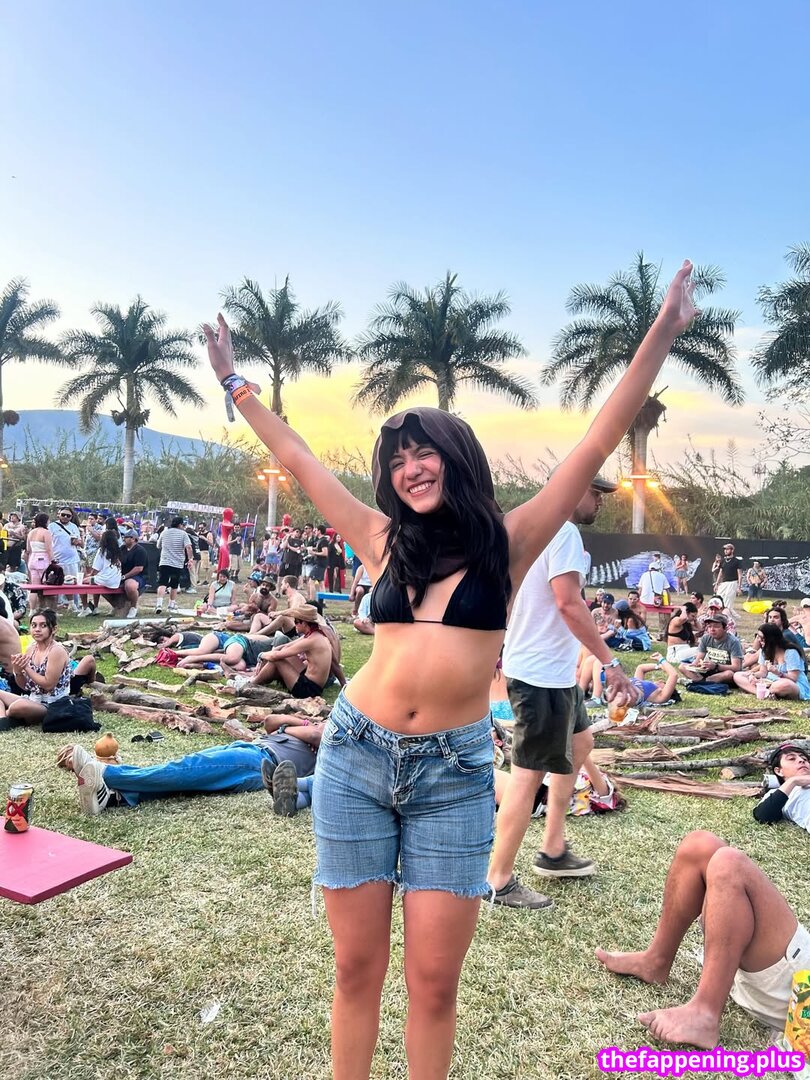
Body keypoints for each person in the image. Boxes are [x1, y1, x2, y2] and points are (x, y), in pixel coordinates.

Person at [203, 259, 697, 1080]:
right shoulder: (382, 540)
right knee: (356, 970)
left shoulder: (510, 541)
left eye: (424, 452)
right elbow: (298, 459)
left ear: (456, 459)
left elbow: (596, 440)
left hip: (454, 774)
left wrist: (666, 330)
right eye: (397, 459)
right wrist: (234, 381)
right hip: (357, 756)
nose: (411, 468)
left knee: (433, 985)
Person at [488, 474, 635, 909]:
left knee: (580, 743)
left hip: (549, 672)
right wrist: (610, 664)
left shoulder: (535, 530)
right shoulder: (564, 532)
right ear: (570, 489)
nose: (600, 502)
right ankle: (498, 879)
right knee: (527, 774)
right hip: (540, 676)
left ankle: (553, 848)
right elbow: (568, 602)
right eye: (595, 493)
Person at [596, 830, 810, 1048]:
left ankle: (704, 1013)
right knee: (699, 846)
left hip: (802, 993)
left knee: (730, 865)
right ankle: (656, 960)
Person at [57, 712, 323, 815]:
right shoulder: (310, 728)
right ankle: (114, 798)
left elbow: (315, 735)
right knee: (187, 778)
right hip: (250, 750)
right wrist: (302, 722)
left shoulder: (329, 740)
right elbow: (270, 721)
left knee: (186, 768)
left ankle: (106, 773)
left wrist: (309, 729)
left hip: (259, 761)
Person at [250, 605, 334, 698]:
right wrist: (274, 650)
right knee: (282, 654)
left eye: (296, 622)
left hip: (309, 690)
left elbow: (275, 657)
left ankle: (253, 683)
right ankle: (259, 678)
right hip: (311, 681)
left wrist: (261, 655)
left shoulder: (311, 640)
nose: (294, 625)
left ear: (304, 623)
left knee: (277, 660)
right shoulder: (315, 634)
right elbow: (287, 646)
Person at [732, 623, 810, 701]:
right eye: (758, 637)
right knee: (738, 675)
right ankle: (762, 693)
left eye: (762, 638)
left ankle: (766, 691)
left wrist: (777, 673)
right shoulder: (764, 650)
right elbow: (763, 673)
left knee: (784, 685)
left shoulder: (791, 652)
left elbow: (793, 678)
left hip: (791, 684)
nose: (759, 640)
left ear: (771, 639)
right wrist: (752, 675)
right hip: (770, 681)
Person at [753, 742, 810, 832]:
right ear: (779, 771)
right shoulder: (778, 794)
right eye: (791, 759)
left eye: (805, 759)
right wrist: (793, 781)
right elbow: (763, 815)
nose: (801, 760)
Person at [678, 613, 743, 686]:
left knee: (729, 674)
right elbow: (698, 660)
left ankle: (700, 682)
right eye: (709, 626)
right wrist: (694, 665)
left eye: (716, 626)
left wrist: (716, 666)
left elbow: (736, 667)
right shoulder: (706, 638)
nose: (712, 629)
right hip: (709, 671)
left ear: (725, 628)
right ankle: (704, 682)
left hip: (724, 671)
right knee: (682, 666)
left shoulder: (733, 642)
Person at [78, 528, 123, 616]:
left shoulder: (101, 551)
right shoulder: (118, 551)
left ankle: (85, 608)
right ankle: (95, 607)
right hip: (116, 580)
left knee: (81, 583)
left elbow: (95, 569)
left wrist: (88, 576)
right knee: (95, 581)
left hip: (106, 579)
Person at [49, 505, 82, 613]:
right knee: (55, 583)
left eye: (68, 516)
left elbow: (80, 542)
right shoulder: (52, 526)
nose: (65, 517)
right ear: (58, 515)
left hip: (72, 559)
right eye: (63, 515)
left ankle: (73, 604)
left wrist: (77, 541)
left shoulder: (74, 527)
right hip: (57, 559)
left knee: (72, 582)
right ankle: (56, 605)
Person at [156, 516, 192, 613]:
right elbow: (188, 547)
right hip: (177, 563)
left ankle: (159, 604)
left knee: (162, 583)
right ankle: (171, 605)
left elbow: (158, 545)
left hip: (164, 562)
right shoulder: (183, 534)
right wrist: (190, 559)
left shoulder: (164, 532)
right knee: (174, 584)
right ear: (180, 525)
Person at [120, 529, 148, 619]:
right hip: (121, 575)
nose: (124, 539)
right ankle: (117, 606)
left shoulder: (140, 551)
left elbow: (139, 568)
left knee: (130, 586)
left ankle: (133, 607)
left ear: (133, 539)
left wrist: (124, 577)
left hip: (138, 576)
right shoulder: (122, 549)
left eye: (126, 537)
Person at [715, 542, 742, 616]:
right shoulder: (723, 561)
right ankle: (720, 614)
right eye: (725, 549)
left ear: (732, 550)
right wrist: (717, 584)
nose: (725, 551)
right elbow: (720, 573)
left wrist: (739, 587)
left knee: (728, 601)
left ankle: (727, 616)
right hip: (724, 583)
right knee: (719, 598)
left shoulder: (736, 561)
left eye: (727, 549)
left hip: (733, 583)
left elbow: (740, 574)